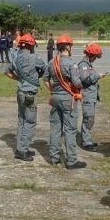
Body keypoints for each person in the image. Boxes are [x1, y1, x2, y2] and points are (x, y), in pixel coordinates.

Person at [45, 35, 86, 169]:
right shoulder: (71, 63)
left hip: (55, 98)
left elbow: (45, 79)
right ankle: (71, 161)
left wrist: (53, 90)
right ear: (68, 47)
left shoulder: (52, 62)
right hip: (68, 99)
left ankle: (54, 158)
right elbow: (76, 82)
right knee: (70, 130)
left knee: (55, 128)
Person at [4, 33, 46, 161]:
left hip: (20, 91)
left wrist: (20, 78)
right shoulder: (34, 58)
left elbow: (7, 72)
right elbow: (43, 69)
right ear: (31, 45)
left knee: (22, 120)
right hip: (29, 94)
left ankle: (21, 147)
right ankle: (22, 150)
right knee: (30, 121)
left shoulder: (16, 58)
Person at [78, 43, 107, 151]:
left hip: (91, 96)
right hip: (87, 96)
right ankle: (86, 143)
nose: (95, 59)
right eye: (95, 56)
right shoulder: (83, 65)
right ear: (90, 55)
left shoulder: (88, 64)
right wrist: (97, 76)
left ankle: (87, 139)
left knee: (90, 118)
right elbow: (85, 80)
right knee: (88, 119)